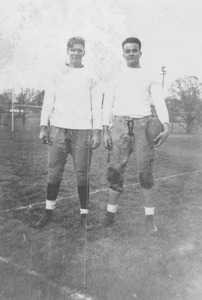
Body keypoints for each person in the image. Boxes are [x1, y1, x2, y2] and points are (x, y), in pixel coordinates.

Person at [33, 36, 102, 231]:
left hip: (83, 131)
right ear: (68, 51)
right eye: (73, 50)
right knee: (54, 172)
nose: (76, 53)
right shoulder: (57, 73)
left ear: (84, 52)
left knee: (82, 175)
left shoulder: (92, 75)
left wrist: (96, 131)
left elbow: (96, 105)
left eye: (80, 50)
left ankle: (84, 216)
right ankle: (48, 213)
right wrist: (43, 127)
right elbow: (48, 100)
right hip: (58, 128)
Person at [102, 37, 169, 233]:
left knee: (145, 174)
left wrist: (165, 125)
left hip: (143, 126)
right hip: (119, 125)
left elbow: (159, 100)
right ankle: (110, 215)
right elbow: (108, 103)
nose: (131, 53)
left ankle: (149, 218)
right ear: (123, 53)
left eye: (134, 50)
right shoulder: (115, 75)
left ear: (140, 52)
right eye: (127, 50)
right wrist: (105, 129)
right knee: (115, 172)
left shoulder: (149, 75)